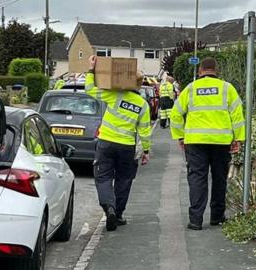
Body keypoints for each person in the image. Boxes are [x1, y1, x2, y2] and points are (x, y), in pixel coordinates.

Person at [170, 57, 245, 230]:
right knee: (219, 179)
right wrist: (238, 139)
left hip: (195, 143)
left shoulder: (190, 89)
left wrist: (180, 137)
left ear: (200, 71)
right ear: (216, 71)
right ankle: (217, 217)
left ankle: (195, 220)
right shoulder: (227, 89)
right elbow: (237, 115)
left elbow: (175, 114)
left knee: (197, 178)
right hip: (220, 143)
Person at [85, 55, 152, 232]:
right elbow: (145, 131)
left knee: (103, 177)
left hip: (106, 143)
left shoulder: (114, 94)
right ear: (139, 85)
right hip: (127, 147)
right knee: (124, 180)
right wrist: (146, 150)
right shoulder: (143, 105)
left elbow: (90, 89)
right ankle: (119, 214)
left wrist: (91, 69)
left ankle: (109, 208)